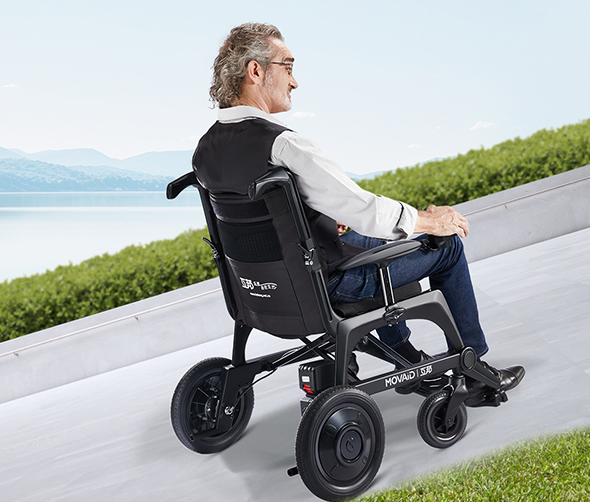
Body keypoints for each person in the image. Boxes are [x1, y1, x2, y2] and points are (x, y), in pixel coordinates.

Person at [192, 22, 524, 398]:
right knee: (446, 247)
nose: (294, 81)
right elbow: (363, 210)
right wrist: (430, 221)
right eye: (288, 67)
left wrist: (324, 221)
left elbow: (268, 221)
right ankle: (473, 372)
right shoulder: (284, 145)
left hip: (259, 293)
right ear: (256, 70)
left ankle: (405, 358)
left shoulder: (206, 150)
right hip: (326, 285)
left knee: (373, 239)